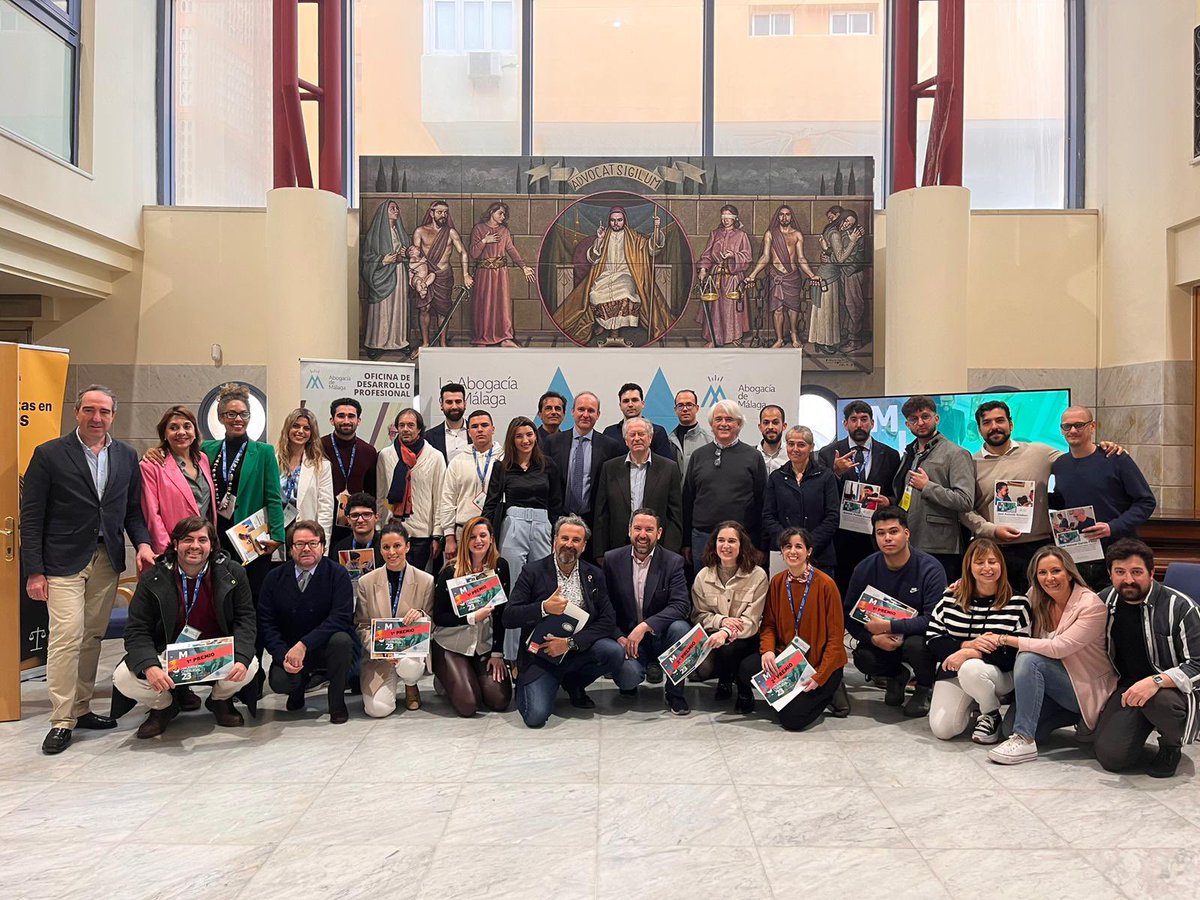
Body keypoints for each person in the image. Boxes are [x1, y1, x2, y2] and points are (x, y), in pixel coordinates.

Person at [20, 384, 155, 754]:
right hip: (61, 562)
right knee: (67, 636)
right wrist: (34, 570)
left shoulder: (126, 456)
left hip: (106, 559)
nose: (97, 418)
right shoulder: (48, 454)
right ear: (77, 412)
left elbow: (131, 511)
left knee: (92, 637)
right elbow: (31, 517)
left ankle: (81, 709)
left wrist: (142, 543)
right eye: (90, 410)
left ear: (114, 415)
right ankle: (61, 719)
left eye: (105, 412)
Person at [112, 517, 258, 738]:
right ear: (176, 544)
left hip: (215, 652)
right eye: (188, 540)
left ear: (212, 544)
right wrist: (150, 666)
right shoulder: (153, 577)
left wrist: (241, 657)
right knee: (123, 677)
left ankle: (220, 701)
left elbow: (245, 620)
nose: (195, 546)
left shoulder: (233, 573)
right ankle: (164, 706)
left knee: (250, 665)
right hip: (169, 654)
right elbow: (136, 629)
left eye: (202, 540)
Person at [987, 547, 1116, 765]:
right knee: (1006, 729)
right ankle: (1072, 720)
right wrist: (964, 587)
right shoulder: (1035, 597)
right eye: (1042, 573)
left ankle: (1024, 739)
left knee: (1029, 658)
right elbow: (1003, 599)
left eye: (1056, 571)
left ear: (1069, 572)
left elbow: (1059, 648)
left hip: (1082, 686)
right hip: (1051, 686)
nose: (1049, 578)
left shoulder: (1091, 605)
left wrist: (1006, 639)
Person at [504, 515, 625, 727]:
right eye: (565, 538)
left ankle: (574, 683)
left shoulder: (594, 574)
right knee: (535, 717)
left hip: (577, 650)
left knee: (613, 652)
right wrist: (543, 608)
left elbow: (608, 620)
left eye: (576, 540)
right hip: (541, 656)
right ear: (555, 541)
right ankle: (542, 683)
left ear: (584, 545)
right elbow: (509, 616)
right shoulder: (532, 571)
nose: (569, 544)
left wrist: (570, 643)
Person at [1093, 539, 1200, 778]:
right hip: (1127, 688)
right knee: (1111, 758)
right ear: (1110, 574)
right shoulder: (1103, 601)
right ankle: (1135, 727)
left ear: (1152, 573)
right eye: (1120, 572)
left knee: (1160, 702)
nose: (1128, 579)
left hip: (1172, 691)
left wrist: (1155, 682)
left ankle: (1171, 746)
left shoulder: (1181, 607)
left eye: (1136, 572)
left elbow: (1198, 664)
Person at [739, 528, 848, 729]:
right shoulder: (778, 582)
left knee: (793, 721)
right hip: (790, 661)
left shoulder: (826, 585)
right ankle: (788, 696)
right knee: (747, 668)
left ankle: (833, 689)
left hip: (820, 663)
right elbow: (769, 624)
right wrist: (768, 651)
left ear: (809, 551)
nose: (793, 551)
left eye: (799, 546)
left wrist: (820, 676)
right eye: (787, 546)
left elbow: (835, 639)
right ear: (781, 551)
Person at [844, 507, 947, 718]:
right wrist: (873, 639)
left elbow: (933, 619)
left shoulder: (930, 568)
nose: (887, 538)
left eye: (893, 531)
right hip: (881, 639)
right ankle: (897, 676)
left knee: (915, 645)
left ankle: (924, 688)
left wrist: (890, 626)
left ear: (907, 534)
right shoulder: (864, 569)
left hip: (918, 639)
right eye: (881, 533)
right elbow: (848, 614)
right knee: (864, 657)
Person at [926, 539, 1032, 744]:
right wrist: (965, 646)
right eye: (979, 562)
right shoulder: (950, 598)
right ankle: (974, 701)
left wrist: (972, 653)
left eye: (992, 562)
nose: (987, 568)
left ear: (1001, 565)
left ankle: (990, 713)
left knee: (971, 669)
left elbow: (1017, 652)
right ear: (969, 567)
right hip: (954, 670)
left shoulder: (1019, 603)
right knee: (943, 729)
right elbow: (933, 639)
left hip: (998, 674)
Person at [257, 521, 355, 723]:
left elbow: (341, 617)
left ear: (323, 546)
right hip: (289, 649)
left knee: (342, 641)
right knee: (280, 682)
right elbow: (266, 623)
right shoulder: (274, 578)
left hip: (325, 647)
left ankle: (336, 703)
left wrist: (305, 645)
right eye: (299, 544)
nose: (306, 549)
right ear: (291, 549)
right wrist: (283, 654)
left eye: (312, 543)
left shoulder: (338, 574)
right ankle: (297, 690)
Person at [483, 416, 563, 662]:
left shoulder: (548, 465)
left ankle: (539, 650)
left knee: (543, 587)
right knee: (514, 590)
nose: (525, 440)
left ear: (535, 437)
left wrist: (556, 535)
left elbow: (557, 504)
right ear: (512, 440)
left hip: (542, 525)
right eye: (519, 436)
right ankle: (511, 655)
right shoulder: (502, 466)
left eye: (529, 434)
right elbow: (492, 502)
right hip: (513, 524)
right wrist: (486, 535)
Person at [1051, 406, 1156, 590]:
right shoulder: (1060, 464)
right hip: (1079, 556)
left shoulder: (1115, 458)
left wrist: (1112, 527)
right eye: (1067, 426)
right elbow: (1063, 503)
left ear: (1092, 427)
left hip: (1119, 553)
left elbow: (1146, 502)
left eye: (1079, 425)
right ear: (1061, 430)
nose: (1073, 431)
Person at [605, 509, 693, 715]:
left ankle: (675, 694)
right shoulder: (612, 559)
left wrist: (645, 626)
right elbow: (605, 606)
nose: (642, 534)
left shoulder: (673, 561)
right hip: (629, 640)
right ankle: (632, 682)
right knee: (627, 680)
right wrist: (618, 636)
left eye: (649, 529)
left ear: (659, 533)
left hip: (661, 636)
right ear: (629, 531)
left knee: (681, 628)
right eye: (637, 528)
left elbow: (682, 605)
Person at [200, 383, 285, 596]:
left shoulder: (263, 452)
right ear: (221, 417)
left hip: (250, 537)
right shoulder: (206, 450)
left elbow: (274, 498)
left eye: (243, 414)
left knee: (251, 594)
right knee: (218, 594)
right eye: (231, 414)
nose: (238, 419)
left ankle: (250, 632)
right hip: (216, 534)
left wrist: (277, 537)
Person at [430, 516, 512, 717]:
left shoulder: (500, 566)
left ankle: (470, 674)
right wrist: (470, 617)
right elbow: (439, 617)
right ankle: (447, 676)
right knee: (468, 706)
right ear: (465, 541)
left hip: (482, 644)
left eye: (483, 535)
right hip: (451, 644)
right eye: (472, 537)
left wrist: (497, 653)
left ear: (491, 538)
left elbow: (502, 614)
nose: (478, 541)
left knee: (499, 700)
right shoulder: (450, 571)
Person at [818, 400, 901, 598]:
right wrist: (835, 473)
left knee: (877, 587)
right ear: (845, 424)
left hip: (876, 534)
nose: (859, 424)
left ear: (872, 423)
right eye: (853, 420)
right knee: (843, 589)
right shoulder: (828, 453)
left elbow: (898, 492)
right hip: (841, 535)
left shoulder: (890, 454)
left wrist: (888, 501)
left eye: (864, 419)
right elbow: (818, 493)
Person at [556, 205, 670, 347]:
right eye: (613, 220)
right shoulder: (604, 236)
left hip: (626, 275)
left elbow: (653, 248)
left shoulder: (634, 237)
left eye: (619, 220)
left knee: (625, 293)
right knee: (595, 294)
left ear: (624, 221)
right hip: (606, 274)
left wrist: (657, 229)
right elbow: (593, 258)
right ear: (609, 221)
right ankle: (603, 323)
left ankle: (614, 332)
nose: (616, 223)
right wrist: (599, 239)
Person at [355, 522, 434, 716]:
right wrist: (379, 648)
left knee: (409, 666)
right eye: (386, 547)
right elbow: (361, 625)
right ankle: (387, 683)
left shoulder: (426, 580)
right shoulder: (366, 582)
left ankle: (411, 684)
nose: (392, 552)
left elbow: (433, 622)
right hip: (380, 658)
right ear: (380, 549)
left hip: (409, 654)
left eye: (397, 546)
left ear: (407, 546)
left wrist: (422, 616)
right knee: (378, 710)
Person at [892, 395, 974, 581]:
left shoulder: (956, 454)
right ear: (907, 424)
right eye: (914, 419)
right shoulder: (910, 453)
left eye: (925, 416)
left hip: (941, 545)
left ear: (936, 418)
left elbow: (965, 500)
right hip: (910, 541)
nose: (920, 422)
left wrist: (927, 486)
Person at [690, 521, 769, 713]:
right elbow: (698, 615)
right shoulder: (702, 576)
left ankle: (743, 688)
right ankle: (724, 677)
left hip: (747, 638)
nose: (726, 546)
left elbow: (752, 620)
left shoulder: (758, 575)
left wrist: (727, 631)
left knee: (734, 646)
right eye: (721, 540)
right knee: (704, 668)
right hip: (714, 637)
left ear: (742, 545)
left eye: (732, 541)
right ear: (714, 544)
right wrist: (721, 621)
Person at [682, 400, 767, 565]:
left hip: (742, 539)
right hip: (703, 538)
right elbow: (687, 500)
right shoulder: (698, 456)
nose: (723, 424)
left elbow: (762, 502)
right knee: (704, 589)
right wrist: (686, 542)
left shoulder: (753, 457)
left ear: (739, 424)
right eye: (718, 419)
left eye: (729, 419)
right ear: (711, 424)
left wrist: (760, 543)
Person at [593, 416, 683, 558]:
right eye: (632, 435)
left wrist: (671, 551)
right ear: (626, 441)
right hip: (617, 548)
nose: (637, 438)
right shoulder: (609, 468)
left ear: (650, 438)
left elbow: (675, 514)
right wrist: (600, 552)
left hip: (657, 547)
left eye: (641, 434)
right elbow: (601, 514)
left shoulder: (669, 468)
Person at [139, 405, 218, 558]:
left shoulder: (203, 459)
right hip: (173, 550)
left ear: (195, 432)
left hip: (203, 549)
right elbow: (152, 516)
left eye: (187, 426)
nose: (181, 432)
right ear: (164, 434)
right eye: (173, 427)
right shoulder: (151, 465)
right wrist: (168, 553)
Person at [762, 426, 840, 576]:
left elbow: (832, 517)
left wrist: (807, 545)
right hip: (784, 555)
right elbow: (768, 516)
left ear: (811, 447)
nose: (795, 449)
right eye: (791, 444)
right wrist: (788, 544)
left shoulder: (826, 476)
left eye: (801, 444)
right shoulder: (776, 477)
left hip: (819, 555)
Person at [377, 407, 446, 571]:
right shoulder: (385, 455)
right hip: (392, 530)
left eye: (410, 425)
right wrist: (379, 529)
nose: (405, 429)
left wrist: (437, 535)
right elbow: (380, 495)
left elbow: (440, 499)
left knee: (418, 585)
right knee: (390, 583)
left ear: (419, 429)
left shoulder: (435, 457)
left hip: (422, 534)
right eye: (401, 425)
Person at [543, 392, 623, 531]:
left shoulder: (610, 447)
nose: (585, 415)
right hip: (557, 520)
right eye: (581, 409)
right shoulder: (553, 442)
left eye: (591, 411)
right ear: (572, 412)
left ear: (598, 415)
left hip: (593, 523)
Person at [745, 204, 819, 349]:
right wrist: (752, 275)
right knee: (777, 309)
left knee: (793, 308)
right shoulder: (770, 234)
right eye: (781, 214)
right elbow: (765, 257)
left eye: (787, 214)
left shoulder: (797, 235)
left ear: (791, 217)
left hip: (792, 276)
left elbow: (801, 258)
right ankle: (779, 339)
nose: (784, 217)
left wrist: (811, 275)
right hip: (775, 276)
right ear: (778, 217)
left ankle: (793, 334)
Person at [469, 200, 536, 348]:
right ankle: (483, 337)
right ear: (491, 213)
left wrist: (523, 267)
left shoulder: (504, 231)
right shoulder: (479, 229)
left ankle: (505, 337)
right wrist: (485, 241)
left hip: (500, 273)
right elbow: (473, 253)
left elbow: (511, 250)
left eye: (504, 214)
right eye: (500, 213)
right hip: (484, 273)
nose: (503, 217)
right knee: (484, 304)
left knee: (502, 304)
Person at [408, 200, 473, 349]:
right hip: (426, 274)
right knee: (424, 308)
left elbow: (462, 252)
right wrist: (415, 277)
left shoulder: (450, 232)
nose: (443, 215)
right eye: (439, 212)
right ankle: (425, 343)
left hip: (444, 276)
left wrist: (465, 274)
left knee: (443, 310)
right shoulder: (420, 231)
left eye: (445, 212)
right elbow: (415, 256)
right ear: (432, 213)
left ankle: (443, 343)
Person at [439, 409, 503, 559]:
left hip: (495, 532)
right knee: (461, 579)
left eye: (484, 425)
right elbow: (447, 500)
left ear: (493, 429)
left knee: (491, 578)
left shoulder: (504, 458)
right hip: (463, 532)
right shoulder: (457, 462)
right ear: (468, 432)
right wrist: (449, 536)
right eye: (474, 427)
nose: (480, 430)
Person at [275, 407, 336, 553]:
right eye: (296, 426)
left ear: (312, 433)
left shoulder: (322, 466)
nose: (300, 431)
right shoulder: (272, 460)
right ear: (287, 428)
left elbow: (326, 509)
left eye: (306, 428)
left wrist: (322, 545)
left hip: (306, 534)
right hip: (277, 531)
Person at [322, 398, 378, 550]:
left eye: (351, 416)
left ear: (358, 420)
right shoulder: (318, 448)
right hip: (323, 521)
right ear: (332, 420)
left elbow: (371, 492)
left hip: (356, 524)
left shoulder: (368, 452)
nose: (346, 420)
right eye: (341, 416)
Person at [695, 204, 752, 347]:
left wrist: (733, 255)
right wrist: (703, 269)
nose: (726, 219)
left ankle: (735, 336)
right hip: (716, 278)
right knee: (715, 309)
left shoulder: (741, 235)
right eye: (724, 216)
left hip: (733, 279)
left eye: (729, 216)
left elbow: (747, 257)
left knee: (732, 309)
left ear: (735, 218)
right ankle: (714, 338)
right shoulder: (715, 234)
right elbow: (707, 254)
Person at [360, 199, 411, 357]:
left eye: (397, 208)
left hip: (399, 274)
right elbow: (367, 257)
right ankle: (377, 343)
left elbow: (409, 253)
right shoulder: (375, 234)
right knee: (383, 310)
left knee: (398, 308)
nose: (396, 211)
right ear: (384, 212)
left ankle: (398, 340)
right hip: (382, 277)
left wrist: (405, 254)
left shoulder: (399, 231)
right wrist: (383, 260)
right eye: (393, 208)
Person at [600, 382, 677, 460]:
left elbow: (665, 466)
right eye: (626, 401)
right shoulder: (609, 433)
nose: (630, 404)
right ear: (620, 406)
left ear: (642, 404)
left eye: (635, 400)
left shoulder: (657, 432)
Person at [808, 207, 846, 353]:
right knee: (827, 309)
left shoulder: (830, 232)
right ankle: (826, 343)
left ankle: (820, 341)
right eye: (829, 217)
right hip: (829, 277)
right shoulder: (835, 233)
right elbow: (840, 258)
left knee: (823, 309)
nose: (830, 220)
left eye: (832, 216)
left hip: (827, 273)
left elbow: (831, 254)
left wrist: (826, 252)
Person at [834, 210, 870, 351]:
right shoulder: (843, 233)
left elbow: (855, 258)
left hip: (852, 273)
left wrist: (844, 266)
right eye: (846, 221)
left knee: (854, 306)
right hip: (845, 272)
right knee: (847, 305)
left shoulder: (856, 235)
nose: (847, 224)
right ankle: (849, 337)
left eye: (850, 222)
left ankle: (854, 341)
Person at [328, 492, 385, 575]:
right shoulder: (339, 548)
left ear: (376, 517)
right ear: (348, 519)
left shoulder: (386, 546)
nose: (360, 520)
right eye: (355, 515)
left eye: (366, 514)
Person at [425, 382, 470, 462]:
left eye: (458, 401)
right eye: (449, 402)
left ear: (465, 404)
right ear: (441, 405)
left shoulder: (477, 433)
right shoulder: (428, 438)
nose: (454, 406)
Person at [669, 389, 710, 474]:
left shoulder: (709, 440)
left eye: (689, 405)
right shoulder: (668, 440)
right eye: (680, 405)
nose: (685, 409)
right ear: (675, 410)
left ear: (697, 408)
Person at [756, 405, 788, 475]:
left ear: (784, 426)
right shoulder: (751, 455)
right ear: (760, 427)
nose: (770, 427)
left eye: (775, 422)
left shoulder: (791, 455)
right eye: (766, 423)